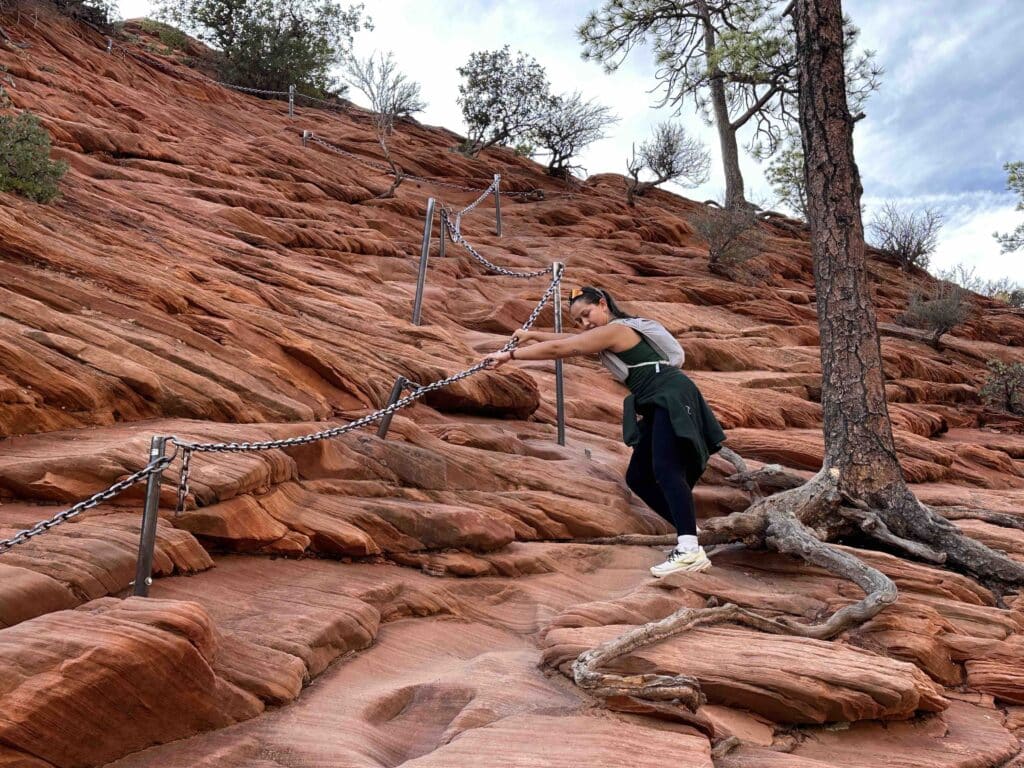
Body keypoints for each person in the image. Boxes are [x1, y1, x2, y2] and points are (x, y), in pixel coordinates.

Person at [484, 286, 726, 577]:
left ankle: (689, 550)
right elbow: (575, 340)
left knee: (666, 470)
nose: (585, 323)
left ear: (602, 304)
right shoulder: (608, 334)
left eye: (586, 314)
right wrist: (534, 335)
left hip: (669, 395)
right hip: (656, 400)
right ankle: (693, 535)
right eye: (579, 321)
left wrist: (511, 355)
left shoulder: (618, 330)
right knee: (639, 477)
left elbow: (568, 348)